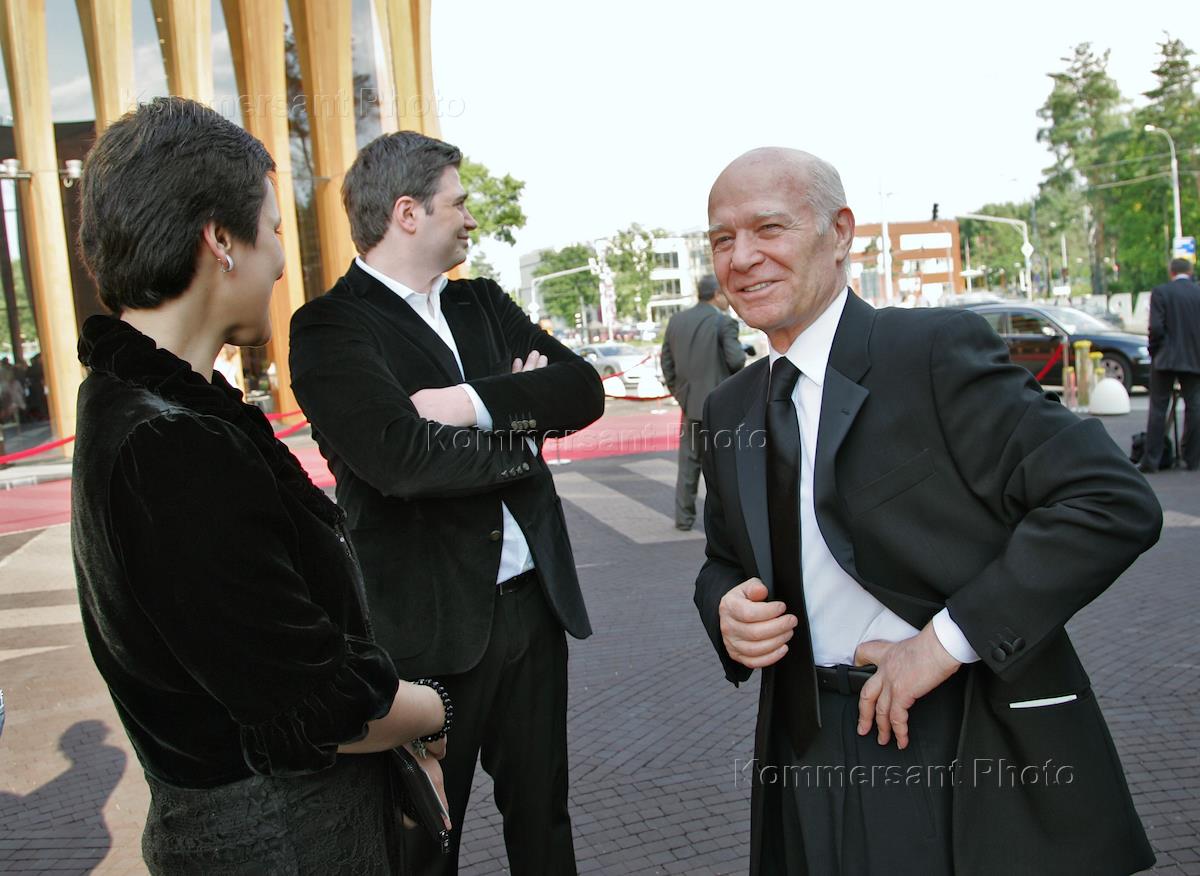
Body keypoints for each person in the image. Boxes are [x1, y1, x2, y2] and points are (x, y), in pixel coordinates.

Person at [693, 147, 1162, 876]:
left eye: (769, 228)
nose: (743, 257)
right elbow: (723, 559)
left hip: (956, 736)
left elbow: (1108, 499)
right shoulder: (730, 408)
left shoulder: (931, 353)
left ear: (840, 233)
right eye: (723, 238)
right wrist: (727, 609)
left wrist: (942, 644)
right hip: (802, 748)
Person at [71, 97, 450, 875]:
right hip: (285, 841)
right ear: (221, 240)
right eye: (274, 228)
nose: (281, 259)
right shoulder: (171, 443)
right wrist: (436, 711)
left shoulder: (139, 409)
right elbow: (313, 703)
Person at [289, 130, 604, 876]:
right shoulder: (330, 326)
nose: (471, 218)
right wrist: (522, 428)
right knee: (427, 840)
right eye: (458, 203)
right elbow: (400, 461)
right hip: (426, 629)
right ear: (408, 212)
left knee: (544, 820)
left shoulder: (481, 302)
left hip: (533, 609)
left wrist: (465, 404)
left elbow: (582, 390)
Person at [661, 274, 746, 530]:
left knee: (688, 464)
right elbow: (736, 361)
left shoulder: (676, 321)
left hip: (690, 405)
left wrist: (680, 394)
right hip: (720, 406)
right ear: (717, 295)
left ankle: (683, 518)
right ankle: (727, 522)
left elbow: (666, 363)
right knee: (725, 466)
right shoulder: (724, 322)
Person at [1139, 257, 1200, 473]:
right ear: (1190, 272)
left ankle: (1152, 460)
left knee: (1158, 408)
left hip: (1165, 359)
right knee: (1194, 407)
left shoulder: (1161, 292)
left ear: (1171, 272)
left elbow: (1156, 327)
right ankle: (1192, 458)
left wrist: (1155, 350)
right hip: (1193, 358)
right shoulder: (1198, 292)